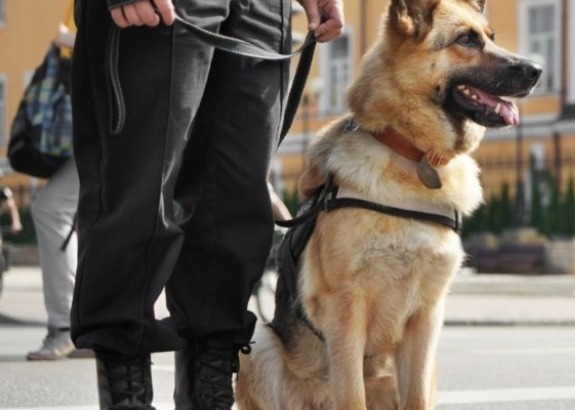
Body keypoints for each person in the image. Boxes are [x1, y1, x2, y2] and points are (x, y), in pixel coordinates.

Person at [69, 0, 343, 408]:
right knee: (137, 192)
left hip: (264, 9)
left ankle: (207, 388)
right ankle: (126, 390)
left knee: (235, 198)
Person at [25, 4, 93, 362]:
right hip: (100, 119)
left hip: (117, 118)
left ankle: (71, 328)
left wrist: (66, 38)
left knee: (52, 208)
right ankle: (98, 328)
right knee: (95, 215)